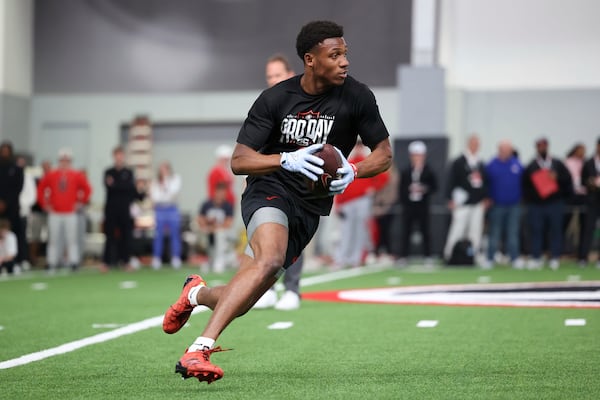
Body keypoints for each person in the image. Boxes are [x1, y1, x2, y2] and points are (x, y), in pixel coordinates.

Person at [161, 20, 392, 383]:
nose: (344, 62)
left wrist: (355, 170)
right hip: (269, 190)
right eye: (335, 55)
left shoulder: (358, 96)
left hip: (310, 209)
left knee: (246, 296)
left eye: (345, 54)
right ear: (310, 59)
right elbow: (239, 160)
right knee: (268, 260)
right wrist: (285, 158)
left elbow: (384, 152)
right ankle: (197, 350)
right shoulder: (276, 98)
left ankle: (197, 293)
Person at [253, 53, 302, 310]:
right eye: (269, 76)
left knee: (294, 235)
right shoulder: (264, 106)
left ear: (290, 74)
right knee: (268, 236)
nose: (273, 80)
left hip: (297, 183)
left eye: (278, 75)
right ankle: (268, 288)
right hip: (268, 180)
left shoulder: (304, 104)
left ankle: (292, 289)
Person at [333, 141, 387, 268]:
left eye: (359, 146)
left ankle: (355, 259)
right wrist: (338, 204)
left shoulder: (366, 162)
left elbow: (383, 177)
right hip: (347, 202)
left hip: (362, 200)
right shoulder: (347, 162)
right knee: (346, 231)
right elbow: (339, 184)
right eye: (356, 145)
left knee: (359, 231)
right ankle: (341, 259)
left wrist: (374, 188)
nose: (357, 148)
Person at [37, 148, 92, 272]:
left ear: (70, 161)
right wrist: (45, 204)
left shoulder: (76, 175)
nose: (64, 163)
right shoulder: (51, 174)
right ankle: (52, 261)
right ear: (59, 161)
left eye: (67, 160)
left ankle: (74, 261)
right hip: (55, 212)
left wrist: (80, 203)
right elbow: (41, 189)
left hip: (70, 212)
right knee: (53, 238)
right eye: (62, 160)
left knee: (72, 238)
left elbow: (87, 189)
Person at [522, 137, 572, 270]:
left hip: (555, 203)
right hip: (536, 205)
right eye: (539, 146)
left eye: (544, 146)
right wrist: (532, 198)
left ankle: (555, 257)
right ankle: (536, 257)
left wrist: (557, 178)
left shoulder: (556, 163)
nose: (542, 148)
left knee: (555, 230)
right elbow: (525, 185)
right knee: (536, 230)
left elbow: (567, 180)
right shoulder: (532, 165)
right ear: (536, 148)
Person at [443, 134, 488, 264]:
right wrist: (449, 198)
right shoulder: (459, 161)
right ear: (468, 144)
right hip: (461, 203)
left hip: (477, 202)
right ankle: (449, 254)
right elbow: (451, 180)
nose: (475, 146)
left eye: (477, 143)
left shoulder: (480, 162)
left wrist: (485, 197)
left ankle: (473, 255)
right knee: (457, 229)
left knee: (475, 231)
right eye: (473, 143)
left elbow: (484, 182)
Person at [101, 146, 145, 272]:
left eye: (121, 155)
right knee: (109, 236)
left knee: (126, 237)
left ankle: (126, 261)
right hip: (111, 210)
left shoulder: (129, 172)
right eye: (117, 155)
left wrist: (116, 184)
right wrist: (122, 185)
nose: (119, 157)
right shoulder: (108, 172)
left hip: (125, 210)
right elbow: (111, 187)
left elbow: (130, 189)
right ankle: (106, 262)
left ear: (123, 156)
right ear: (114, 156)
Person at [484, 140, 524, 269]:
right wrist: (487, 198)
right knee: (494, 233)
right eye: (504, 149)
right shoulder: (491, 165)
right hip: (497, 205)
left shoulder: (517, 164)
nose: (507, 152)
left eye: (509, 149)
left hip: (514, 205)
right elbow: (485, 184)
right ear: (499, 150)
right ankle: (490, 258)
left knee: (513, 233)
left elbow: (525, 182)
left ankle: (514, 258)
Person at [398, 141, 437, 266]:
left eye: (419, 155)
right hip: (409, 206)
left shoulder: (429, 171)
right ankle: (403, 256)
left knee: (425, 230)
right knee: (406, 231)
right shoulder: (406, 171)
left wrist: (424, 189)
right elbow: (401, 189)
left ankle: (428, 256)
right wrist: (408, 192)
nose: (417, 158)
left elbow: (435, 187)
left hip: (423, 205)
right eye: (415, 155)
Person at [150, 161, 182, 269]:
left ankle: (175, 257)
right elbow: (155, 197)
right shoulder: (155, 182)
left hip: (171, 208)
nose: (163, 171)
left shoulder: (175, 179)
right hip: (160, 209)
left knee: (175, 234)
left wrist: (166, 182)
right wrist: (163, 190)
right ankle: (157, 258)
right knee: (158, 235)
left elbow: (173, 193)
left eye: (165, 169)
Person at [197, 182, 235, 273]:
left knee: (219, 233)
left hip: (221, 233)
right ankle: (210, 259)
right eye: (220, 192)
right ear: (215, 192)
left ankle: (219, 260)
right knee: (201, 231)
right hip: (209, 231)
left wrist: (214, 228)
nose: (221, 195)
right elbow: (200, 219)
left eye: (224, 193)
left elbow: (228, 223)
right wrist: (207, 224)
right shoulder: (207, 204)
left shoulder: (227, 206)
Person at [0, 141, 24, 271]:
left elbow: (17, 188)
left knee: (14, 234)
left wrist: (6, 202)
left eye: (6, 150)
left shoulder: (16, 168)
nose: (4, 153)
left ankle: (16, 261)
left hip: (12, 207)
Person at [563, 143, 587, 258]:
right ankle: (561, 250)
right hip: (570, 196)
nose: (582, 153)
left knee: (584, 226)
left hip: (584, 196)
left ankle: (581, 253)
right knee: (565, 224)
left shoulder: (586, 163)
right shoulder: (568, 162)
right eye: (580, 150)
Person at [579, 138, 600, 267]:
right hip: (592, 201)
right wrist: (591, 182)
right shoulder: (589, 163)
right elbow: (583, 181)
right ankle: (583, 257)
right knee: (588, 229)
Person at [29, 160, 51, 267]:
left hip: (51, 212)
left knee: (51, 236)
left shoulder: (53, 179)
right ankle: (33, 259)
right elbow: (35, 194)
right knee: (35, 236)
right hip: (37, 211)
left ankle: (49, 259)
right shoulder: (36, 180)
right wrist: (43, 205)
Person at [16, 156, 36, 271]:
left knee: (23, 236)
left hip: (23, 211)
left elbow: (32, 195)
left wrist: (23, 205)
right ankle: (14, 260)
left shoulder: (28, 177)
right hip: (12, 210)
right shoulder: (11, 175)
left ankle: (23, 259)